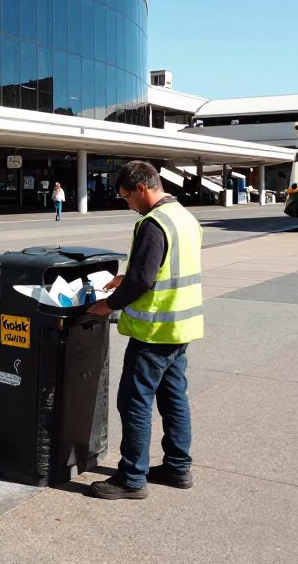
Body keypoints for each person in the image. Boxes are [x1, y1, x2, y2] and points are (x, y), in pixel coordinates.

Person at [86, 161, 203, 500]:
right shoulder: (185, 217)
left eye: (126, 197)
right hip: (180, 327)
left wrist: (108, 305)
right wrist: (128, 277)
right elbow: (167, 267)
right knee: (173, 398)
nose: (128, 204)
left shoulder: (152, 223)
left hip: (154, 332)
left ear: (142, 188)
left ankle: (131, 479)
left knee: (134, 403)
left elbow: (142, 281)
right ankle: (177, 468)